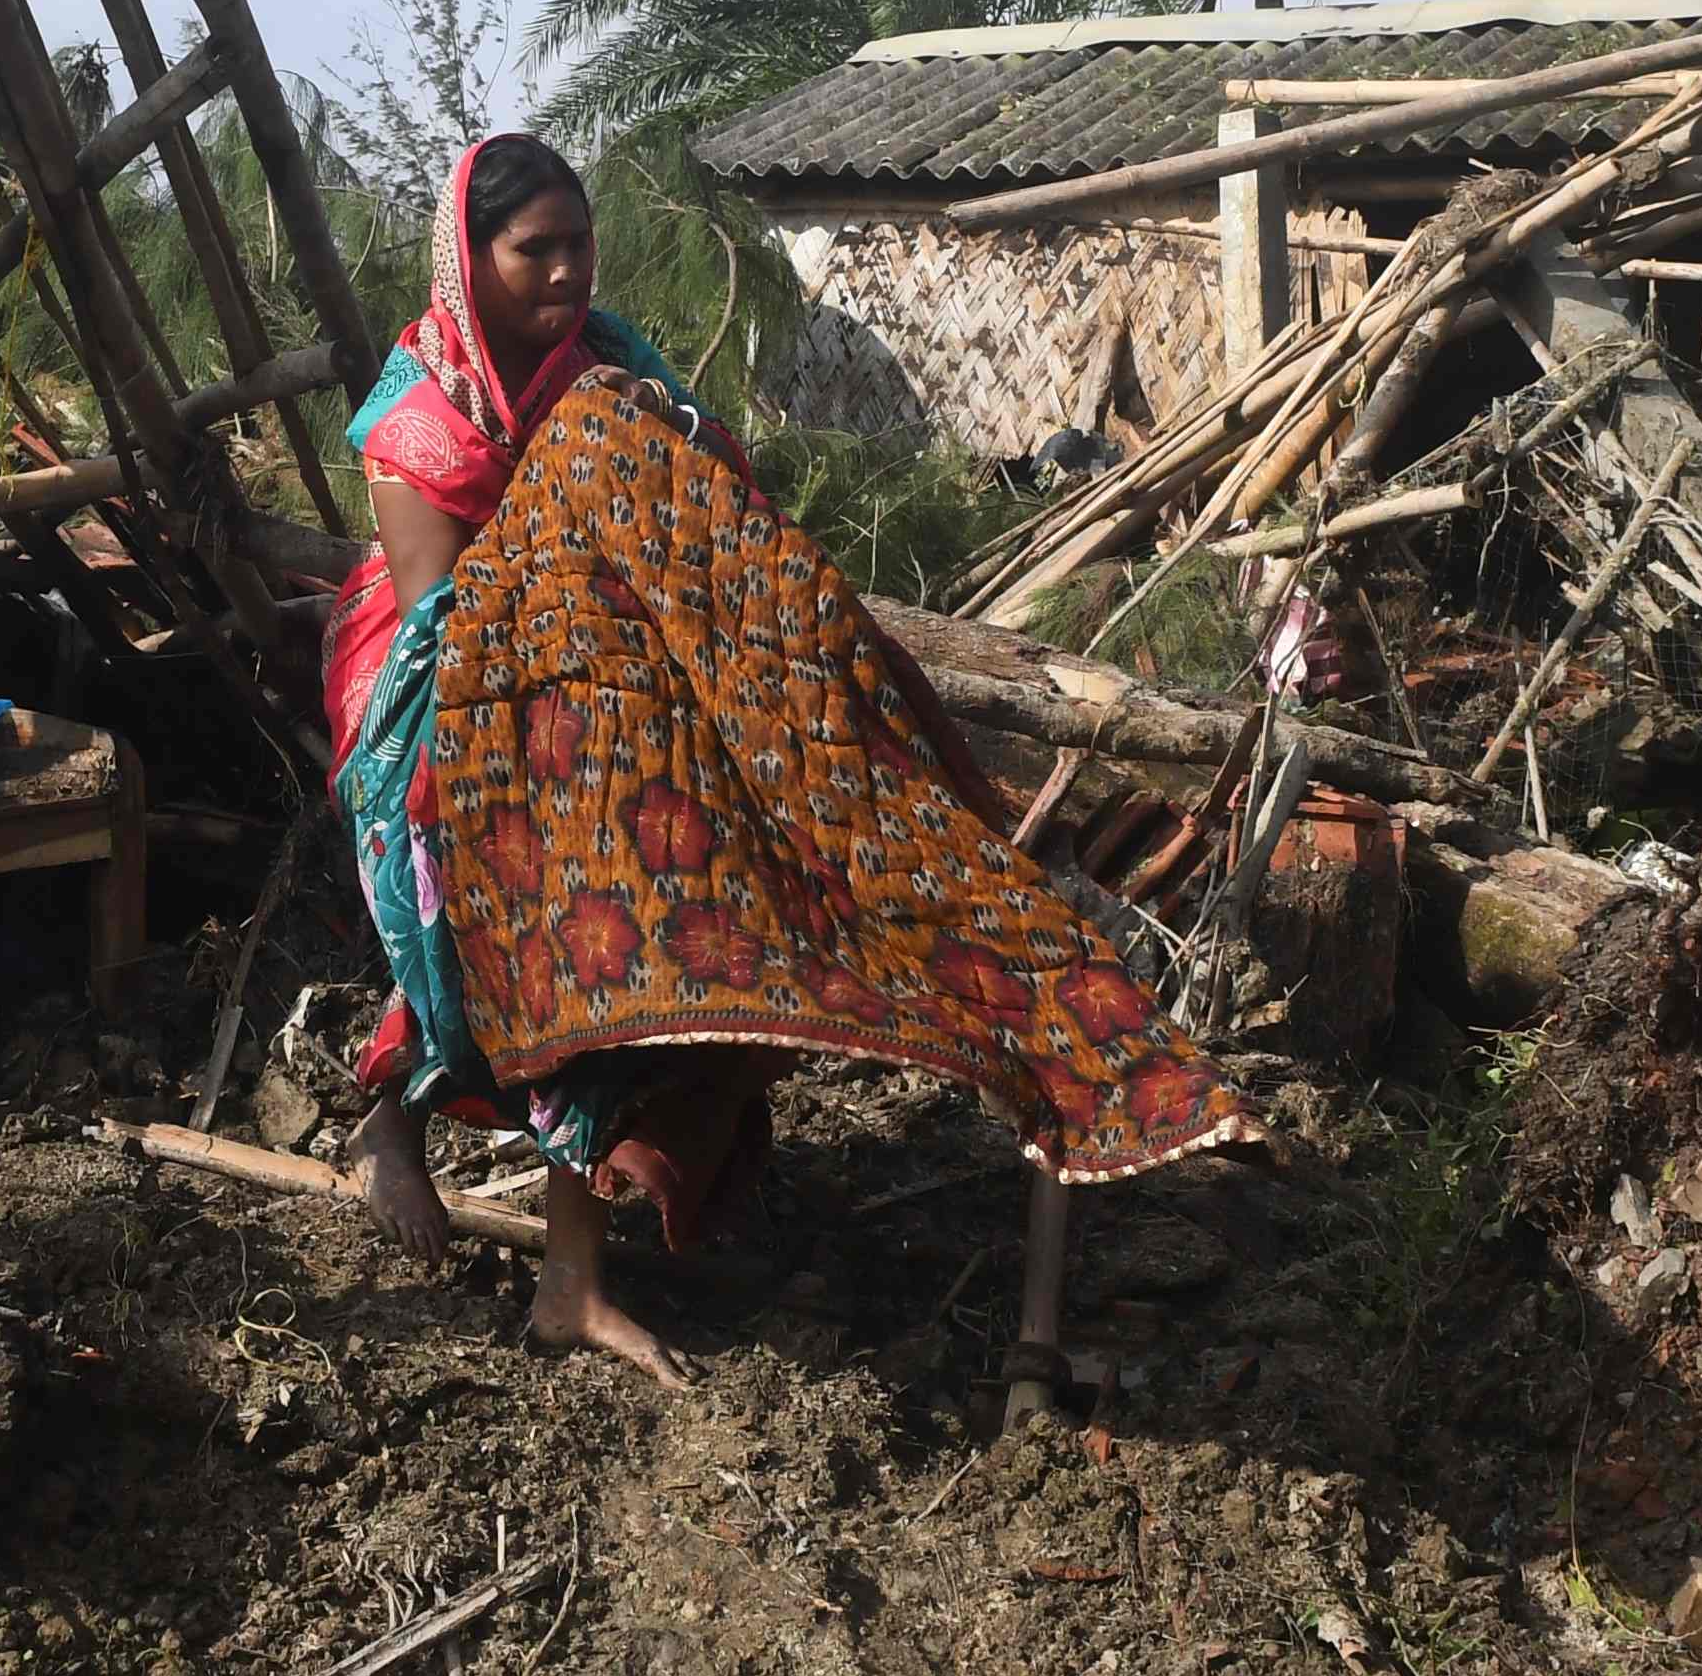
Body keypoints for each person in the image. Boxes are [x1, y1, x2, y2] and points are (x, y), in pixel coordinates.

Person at [325, 132, 1257, 1387]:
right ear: (467, 258)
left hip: (616, 681)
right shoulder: (419, 422)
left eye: (577, 243)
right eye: (532, 249)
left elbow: (711, 520)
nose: (564, 271)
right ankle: (413, 1133)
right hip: (450, 699)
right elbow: (443, 622)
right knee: (561, 909)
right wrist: (575, 532)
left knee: (696, 885)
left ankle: (571, 1233)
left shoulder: (611, 370)